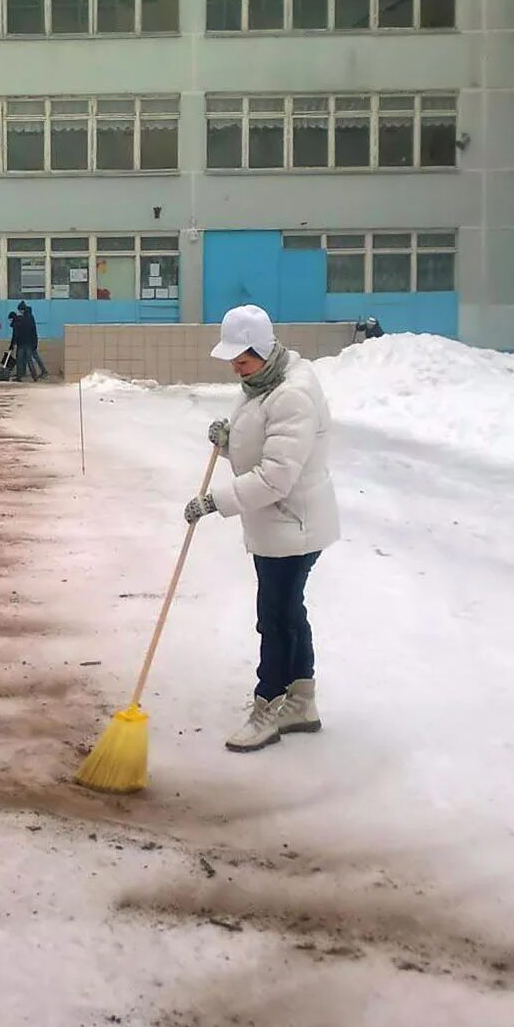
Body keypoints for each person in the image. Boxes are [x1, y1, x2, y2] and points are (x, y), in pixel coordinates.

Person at [182, 305, 340, 753]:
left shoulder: (293, 395)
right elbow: (259, 449)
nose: (236, 368)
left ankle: (268, 705)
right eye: (232, 360)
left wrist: (215, 501)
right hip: (278, 523)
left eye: (242, 360)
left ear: (264, 351)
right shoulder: (260, 384)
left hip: (293, 523)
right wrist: (229, 443)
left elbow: (275, 477)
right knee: (288, 611)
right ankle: (302, 702)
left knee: (275, 617)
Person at [11, 302, 49, 381]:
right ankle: (34, 377)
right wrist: (35, 343)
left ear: (22, 310)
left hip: (22, 343)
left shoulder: (21, 319)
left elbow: (17, 332)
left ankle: (19, 377)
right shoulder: (30, 317)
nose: (19, 312)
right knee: (30, 360)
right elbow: (33, 331)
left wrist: (13, 343)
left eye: (20, 310)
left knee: (20, 360)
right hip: (30, 343)